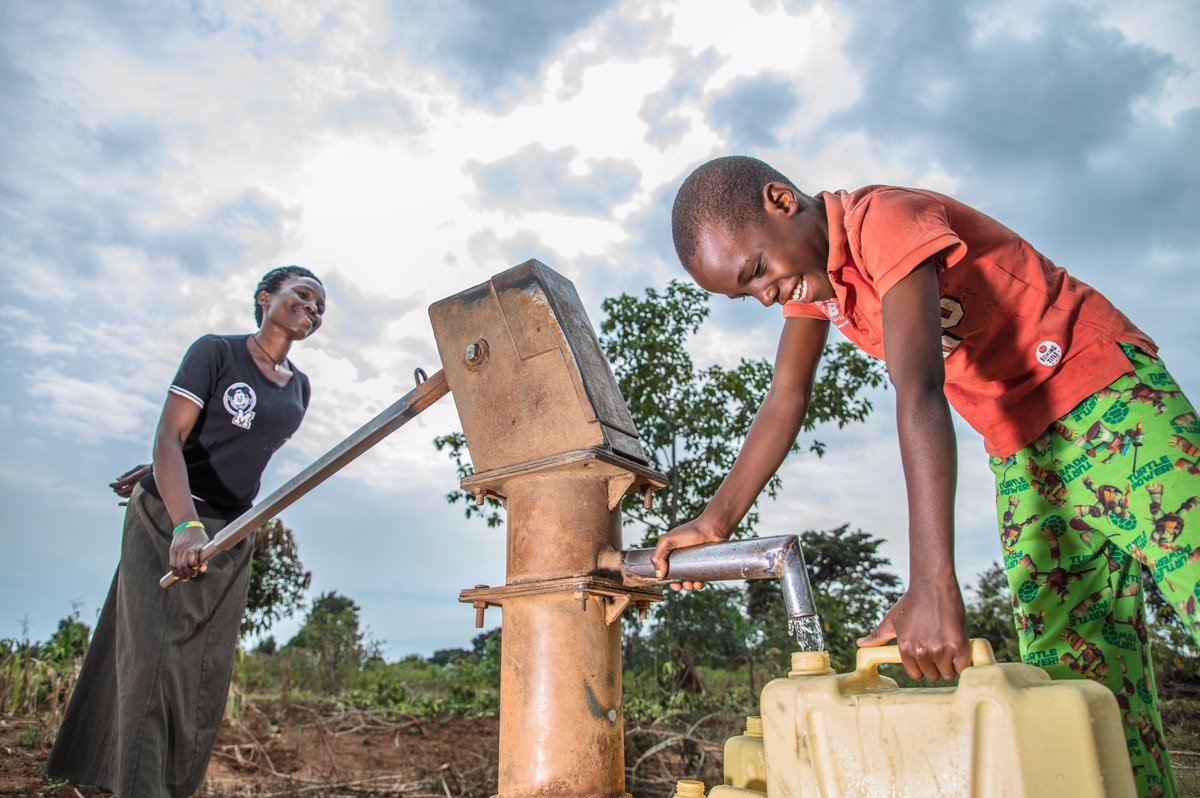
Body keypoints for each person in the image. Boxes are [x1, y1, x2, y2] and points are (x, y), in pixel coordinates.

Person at [650, 155, 1198, 796]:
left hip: (1105, 396)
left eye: (758, 272)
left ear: (781, 201)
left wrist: (932, 585)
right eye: (745, 294)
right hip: (1021, 449)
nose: (765, 295)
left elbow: (919, 390)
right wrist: (714, 522)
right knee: (1078, 683)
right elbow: (786, 398)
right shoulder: (820, 287)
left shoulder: (885, 222)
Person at [47, 265, 326, 797]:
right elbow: (170, 436)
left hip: (230, 532)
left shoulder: (301, 389)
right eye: (303, 296)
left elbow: (230, 448)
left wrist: (193, 500)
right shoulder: (215, 353)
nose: (312, 310)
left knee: (203, 674)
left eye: (319, 309)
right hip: (173, 524)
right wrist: (182, 518)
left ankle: (171, 787)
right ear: (265, 297)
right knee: (152, 665)